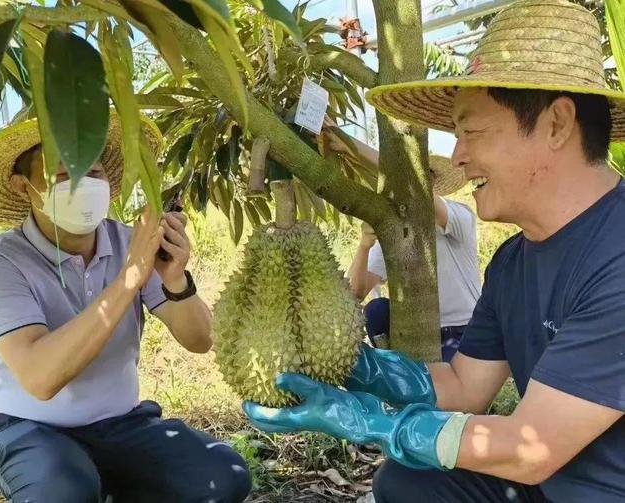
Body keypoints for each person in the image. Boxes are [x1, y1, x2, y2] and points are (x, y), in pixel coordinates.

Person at [244, 1, 625, 501]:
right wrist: (363, 368)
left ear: (556, 124)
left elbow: (531, 450)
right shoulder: (513, 261)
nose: (459, 155)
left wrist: (377, 424)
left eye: (472, 131)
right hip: (549, 488)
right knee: (410, 483)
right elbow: (466, 386)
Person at [0, 115, 252, 502]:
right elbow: (40, 377)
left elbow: (201, 340)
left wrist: (175, 281)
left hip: (122, 425)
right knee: (62, 492)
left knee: (224, 476)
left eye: (93, 171)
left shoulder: (130, 243)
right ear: (23, 187)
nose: (84, 185)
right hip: (30, 430)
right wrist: (130, 276)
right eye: (66, 176)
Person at [343, 142, 480, 359]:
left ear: (433, 184)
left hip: (462, 330)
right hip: (413, 329)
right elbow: (354, 293)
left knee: (443, 387)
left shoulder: (459, 216)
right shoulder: (394, 230)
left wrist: (353, 147)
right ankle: (395, 364)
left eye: (425, 177)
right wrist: (364, 245)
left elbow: (416, 189)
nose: (412, 185)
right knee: (376, 310)